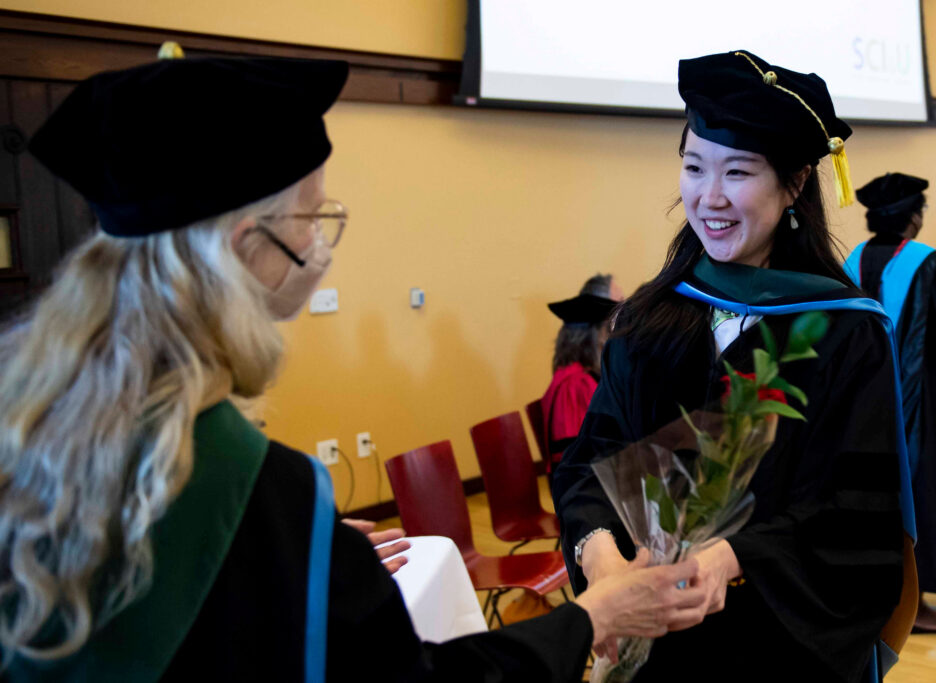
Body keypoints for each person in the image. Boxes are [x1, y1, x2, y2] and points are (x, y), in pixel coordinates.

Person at [0, 53, 711, 682]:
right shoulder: (256, 488)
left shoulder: (32, 416)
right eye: (313, 217)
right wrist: (592, 616)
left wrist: (301, 555)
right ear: (249, 248)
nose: (323, 243)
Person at [554, 51, 913, 682]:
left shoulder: (844, 331)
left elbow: (855, 513)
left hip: (776, 645)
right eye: (694, 167)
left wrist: (732, 557)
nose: (709, 197)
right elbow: (592, 459)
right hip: (653, 634)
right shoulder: (648, 319)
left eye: (737, 172)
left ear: (795, 184)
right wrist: (598, 552)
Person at [846, 173, 936, 634]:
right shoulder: (929, 265)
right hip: (923, 407)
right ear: (912, 217)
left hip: (855, 409)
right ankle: (914, 607)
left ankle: (870, 602)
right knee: (921, 494)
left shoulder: (847, 262)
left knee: (862, 493)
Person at [541, 273, 624, 472]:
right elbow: (579, 463)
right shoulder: (574, 386)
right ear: (600, 333)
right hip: (586, 485)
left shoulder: (586, 377)